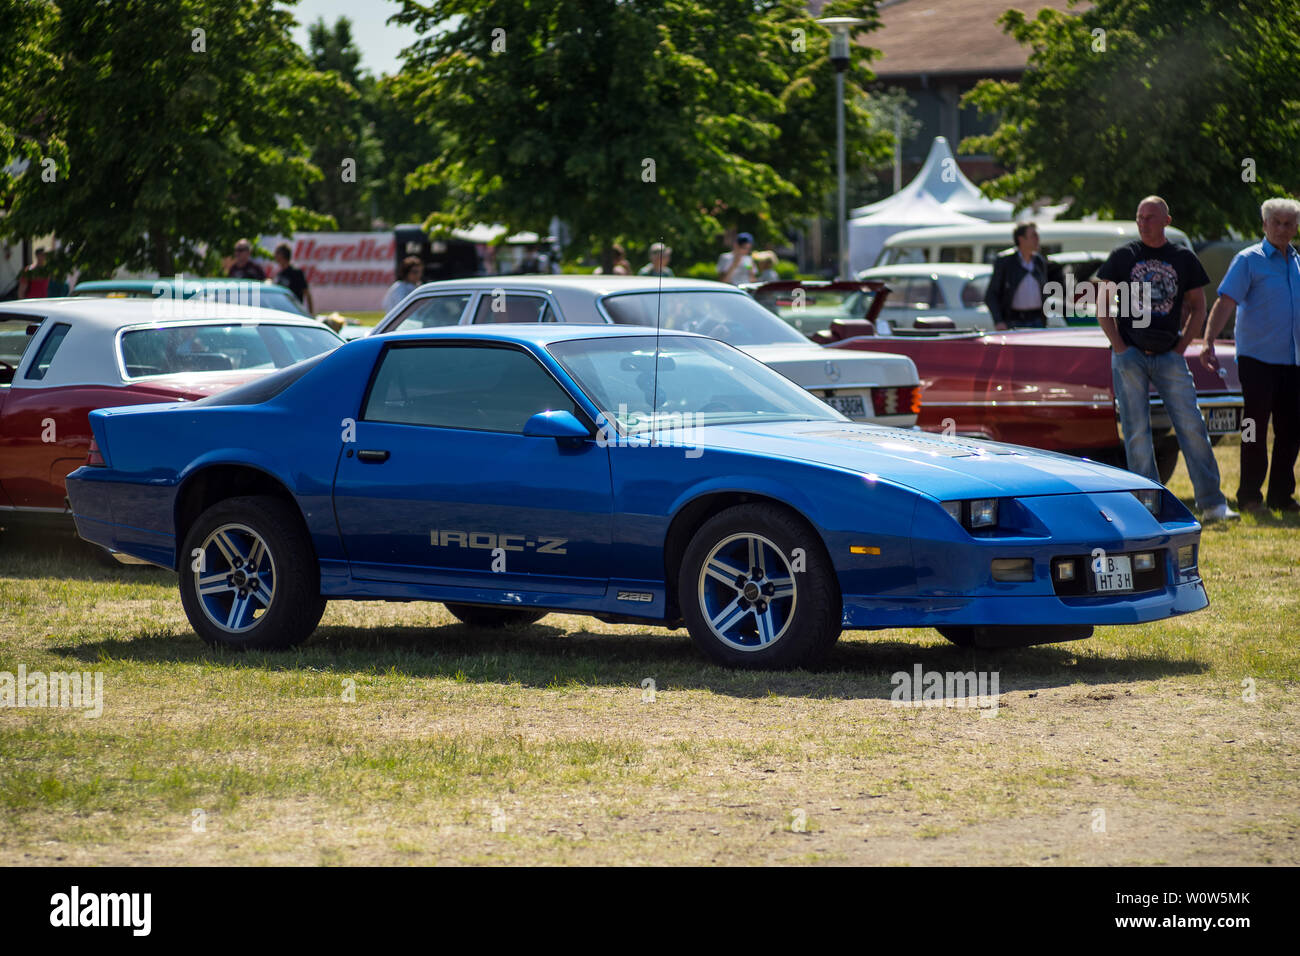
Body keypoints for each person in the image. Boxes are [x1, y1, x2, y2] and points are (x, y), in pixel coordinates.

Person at [1096, 195, 1237, 520]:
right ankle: (1148, 507)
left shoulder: (1182, 258)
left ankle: (1213, 503)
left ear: (1166, 221)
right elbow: (1102, 302)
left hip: (1169, 354)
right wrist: (1119, 346)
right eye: (1139, 217)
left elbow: (1199, 305)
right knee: (1136, 430)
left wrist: (1181, 346)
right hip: (1130, 354)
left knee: (1191, 424)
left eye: (1150, 217)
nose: (1143, 223)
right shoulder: (1122, 256)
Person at [1202, 197, 1300, 512]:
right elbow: (1225, 302)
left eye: (1289, 224)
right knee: (1254, 429)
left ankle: (1281, 496)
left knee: (1291, 429)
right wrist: (1208, 340)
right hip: (1257, 359)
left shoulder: (1297, 263)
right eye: (1277, 223)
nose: (1283, 229)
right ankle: (1249, 496)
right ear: (1264, 225)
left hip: (1294, 361)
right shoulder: (1249, 259)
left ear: (1296, 227)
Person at [984, 222, 1052, 329]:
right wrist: (999, 321)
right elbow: (991, 295)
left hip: (1037, 321)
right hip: (1014, 321)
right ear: (1021, 239)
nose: (1037, 239)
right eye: (1033, 236)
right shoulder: (1005, 262)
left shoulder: (1039, 261)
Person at [271, 243, 313, 313]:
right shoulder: (279, 274)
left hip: (295, 310)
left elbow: (307, 293)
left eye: (277, 253)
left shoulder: (296, 272)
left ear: (283, 255)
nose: (275, 255)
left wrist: (311, 312)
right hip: (282, 310)